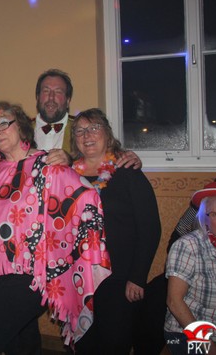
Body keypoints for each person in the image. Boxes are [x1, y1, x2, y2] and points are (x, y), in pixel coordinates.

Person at [0, 102, 111, 354]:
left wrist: (75, 250)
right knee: (19, 344)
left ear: (21, 126)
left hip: (29, 274)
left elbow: (87, 197)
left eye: (3, 124)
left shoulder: (47, 164)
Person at [71, 108, 161, 355]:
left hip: (118, 278)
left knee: (114, 342)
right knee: (82, 344)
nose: (87, 135)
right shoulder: (67, 175)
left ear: (107, 134)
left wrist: (138, 277)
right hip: (77, 277)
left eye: (94, 128)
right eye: (80, 130)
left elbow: (150, 228)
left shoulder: (128, 172)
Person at [165, 180, 216, 355]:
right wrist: (208, 345)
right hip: (190, 335)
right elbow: (174, 301)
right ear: (205, 219)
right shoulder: (188, 246)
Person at [33, 68, 141, 169]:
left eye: (58, 92)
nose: (51, 97)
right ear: (37, 97)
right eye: (46, 91)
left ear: (68, 100)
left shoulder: (83, 129)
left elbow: (108, 154)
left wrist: (130, 159)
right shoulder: (23, 130)